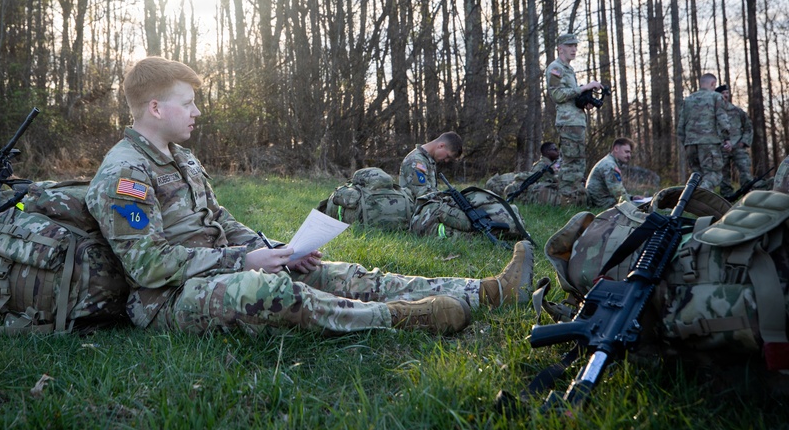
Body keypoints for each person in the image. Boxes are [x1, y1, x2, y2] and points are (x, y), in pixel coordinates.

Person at [86, 57, 534, 337]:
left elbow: (219, 217)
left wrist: (273, 250)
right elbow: (148, 264)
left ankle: (487, 292)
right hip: (165, 299)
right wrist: (244, 262)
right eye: (188, 103)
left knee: (336, 272)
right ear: (156, 108)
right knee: (269, 290)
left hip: (222, 268)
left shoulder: (181, 158)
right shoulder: (125, 172)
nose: (198, 111)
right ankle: (403, 316)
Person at [399, 132, 524, 238]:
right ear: (441, 146)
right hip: (418, 214)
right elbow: (422, 195)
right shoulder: (416, 161)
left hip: (430, 209)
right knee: (465, 223)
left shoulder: (427, 160)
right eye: (447, 156)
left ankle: (506, 222)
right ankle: (491, 232)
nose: (446, 160)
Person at [544, 33, 604, 205]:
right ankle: (566, 202)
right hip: (568, 122)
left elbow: (569, 96)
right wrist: (584, 87)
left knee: (577, 162)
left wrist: (584, 101)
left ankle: (574, 200)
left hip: (576, 121)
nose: (574, 49)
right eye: (570, 46)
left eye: (575, 46)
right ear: (560, 48)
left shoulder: (568, 69)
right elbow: (557, 95)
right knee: (571, 163)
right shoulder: (556, 68)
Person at [677, 73, 731, 192]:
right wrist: (727, 139)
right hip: (709, 143)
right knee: (713, 174)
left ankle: (695, 204)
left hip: (690, 144)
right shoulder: (716, 97)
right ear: (713, 84)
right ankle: (700, 193)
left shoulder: (689, 99)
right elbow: (722, 119)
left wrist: (686, 143)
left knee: (697, 175)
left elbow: (680, 126)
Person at [716, 84, 753, 199]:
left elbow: (748, 127)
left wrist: (743, 142)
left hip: (738, 145)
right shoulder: (713, 113)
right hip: (721, 147)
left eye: (727, 93)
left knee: (745, 170)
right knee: (723, 174)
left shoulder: (737, 111)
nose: (725, 95)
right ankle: (727, 197)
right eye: (723, 94)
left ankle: (748, 194)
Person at [585, 138, 634, 209]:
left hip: (600, 200)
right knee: (641, 207)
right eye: (626, 152)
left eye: (630, 153)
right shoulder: (610, 165)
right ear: (616, 149)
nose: (629, 155)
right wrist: (632, 207)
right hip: (601, 203)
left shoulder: (609, 161)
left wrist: (631, 197)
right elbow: (618, 193)